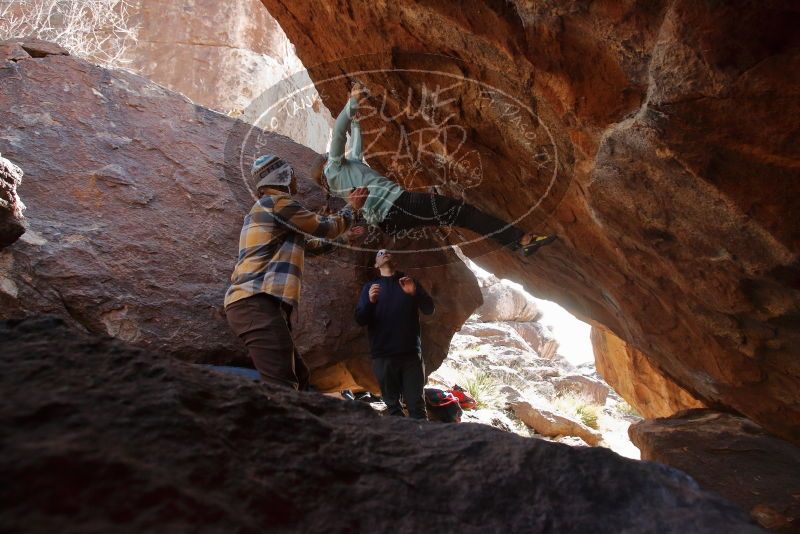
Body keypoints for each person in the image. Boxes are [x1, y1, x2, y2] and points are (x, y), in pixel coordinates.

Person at [312, 82, 558, 256]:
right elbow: (338, 136)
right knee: (464, 213)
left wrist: (356, 123)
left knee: (460, 216)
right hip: (398, 204)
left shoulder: (342, 175)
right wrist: (352, 101)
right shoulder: (331, 169)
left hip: (390, 220)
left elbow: (356, 151)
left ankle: (517, 241)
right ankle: (520, 240)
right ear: (324, 167)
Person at [224, 154, 368, 390]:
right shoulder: (277, 204)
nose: (295, 180)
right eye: (290, 174)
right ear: (283, 176)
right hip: (255, 303)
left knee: (299, 379)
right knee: (282, 386)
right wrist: (351, 208)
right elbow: (323, 228)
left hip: (258, 305)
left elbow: (311, 246)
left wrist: (345, 236)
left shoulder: (268, 209)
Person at [355, 249, 434, 419]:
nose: (384, 252)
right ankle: (401, 443)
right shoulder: (370, 287)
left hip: (411, 353)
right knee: (393, 409)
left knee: (417, 408)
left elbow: (429, 309)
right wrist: (370, 302)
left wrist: (415, 293)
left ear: (395, 260)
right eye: (379, 253)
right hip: (383, 355)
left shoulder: (409, 282)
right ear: (376, 264)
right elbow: (360, 319)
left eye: (387, 251)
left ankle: (423, 444)